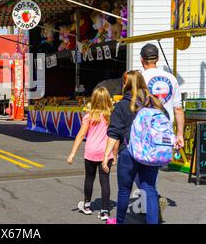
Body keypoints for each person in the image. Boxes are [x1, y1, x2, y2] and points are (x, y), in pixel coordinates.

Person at [102, 71, 178, 224]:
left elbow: (114, 133)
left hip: (128, 153)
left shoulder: (123, 105)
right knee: (149, 189)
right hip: (150, 153)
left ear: (126, 84)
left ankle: (119, 221)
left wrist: (106, 157)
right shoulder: (156, 103)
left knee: (124, 190)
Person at [139, 43, 185, 220]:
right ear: (157, 59)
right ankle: (150, 202)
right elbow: (178, 109)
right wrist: (179, 135)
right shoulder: (171, 78)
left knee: (135, 170)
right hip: (165, 134)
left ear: (142, 60)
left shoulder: (140, 77)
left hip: (144, 133)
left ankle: (152, 200)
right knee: (153, 170)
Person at [67, 87, 115, 221]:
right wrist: (114, 154)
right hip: (106, 153)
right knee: (105, 181)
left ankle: (87, 205)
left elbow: (81, 135)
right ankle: (105, 211)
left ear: (93, 99)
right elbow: (115, 137)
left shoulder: (89, 116)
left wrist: (72, 153)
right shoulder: (110, 117)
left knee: (89, 178)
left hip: (91, 152)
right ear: (107, 99)